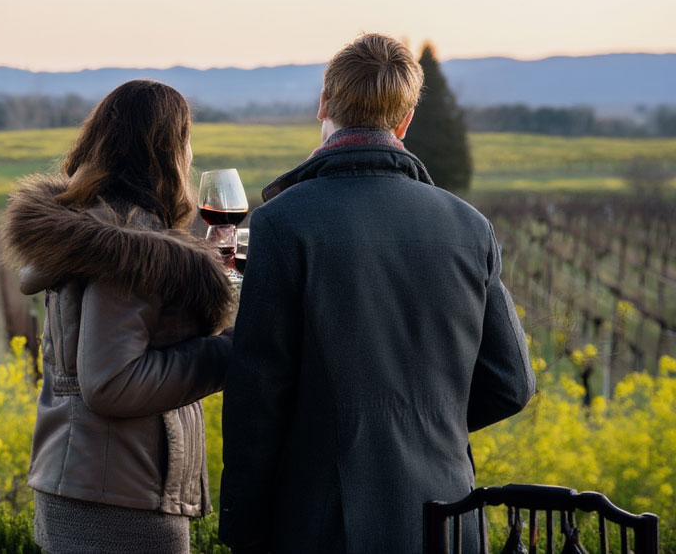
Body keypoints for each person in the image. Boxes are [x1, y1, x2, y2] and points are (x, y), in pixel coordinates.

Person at [217, 33, 536, 554]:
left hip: (321, 527)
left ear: (324, 102)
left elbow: (257, 402)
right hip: (449, 523)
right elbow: (511, 383)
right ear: (404, 122)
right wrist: (420, 426)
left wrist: (243, 530)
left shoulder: (282, 223)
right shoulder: (470, 227)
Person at [1, 79, 235, 554]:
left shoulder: (96, 230)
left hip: (85, 484)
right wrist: (229, 352)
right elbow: (112, 382)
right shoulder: (132, 249)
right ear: (169, 150)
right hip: (121, 498)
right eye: (186, 139)